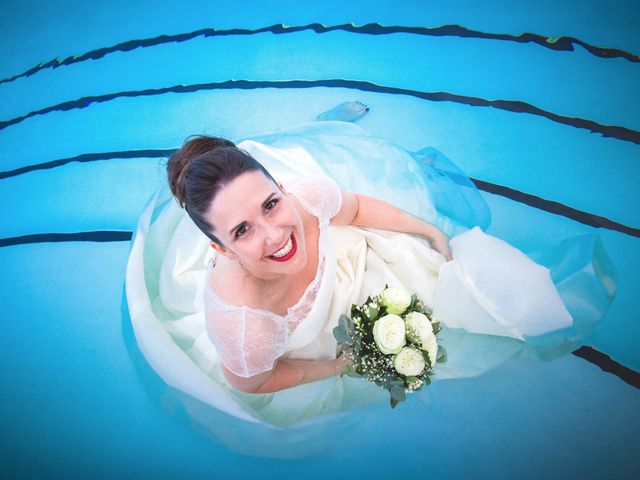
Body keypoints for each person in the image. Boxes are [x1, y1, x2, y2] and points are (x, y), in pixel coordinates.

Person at [125, 102, 616, 438]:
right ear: (222, 250)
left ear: (283, 189)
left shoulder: (307, 197)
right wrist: (338, 364)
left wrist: (427, 230)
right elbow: (250, 382)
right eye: (242, 231)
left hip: (353, 267)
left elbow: (357, 209)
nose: (274, 236)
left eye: (272, 205)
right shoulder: (245, 327)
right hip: (303, 336)